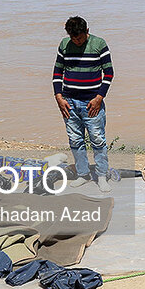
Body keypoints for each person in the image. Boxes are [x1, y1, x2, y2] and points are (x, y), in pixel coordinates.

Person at [52, 16, 114, 192]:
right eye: (73, 38)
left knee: (97, 139)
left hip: (92, 102)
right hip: (68, 101)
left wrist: (99, 98)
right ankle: (83, 174)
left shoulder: (99, 44)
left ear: (87, 31)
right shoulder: (64, 45)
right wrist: (58, 97)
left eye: (79, 38)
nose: (76, 41)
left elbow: (108, 73)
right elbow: (57, 72)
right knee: (75, 139)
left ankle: (102, 175)